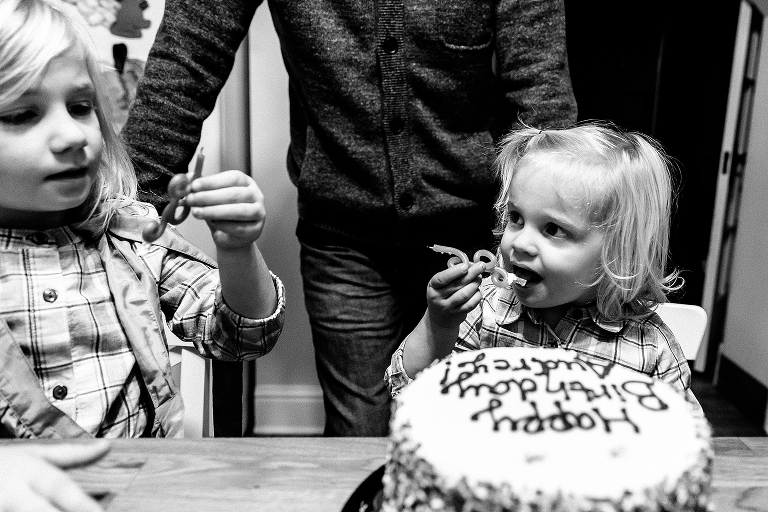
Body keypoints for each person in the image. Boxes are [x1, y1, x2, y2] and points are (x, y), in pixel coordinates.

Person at [122, 0, 578, 436]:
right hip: (343, 238)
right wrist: (120, 214)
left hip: (480, 237)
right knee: (360, 431)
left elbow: (541, 90)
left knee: (480, 420)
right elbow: (188, 55)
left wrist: (551, 232)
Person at [0, 0, 284, 441]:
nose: (74, 135)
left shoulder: (129, 235)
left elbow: (243, 336)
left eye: (80, 106)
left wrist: (237, 247)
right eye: (22, 115)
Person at [385, 122, 700, 409]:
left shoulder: (649, 350)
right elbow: (408, 394)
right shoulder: (484, 312)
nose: (520, 243)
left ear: (618, 253)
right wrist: (438, 325)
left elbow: (679, 441)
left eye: (553, 230)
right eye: (516, 218)